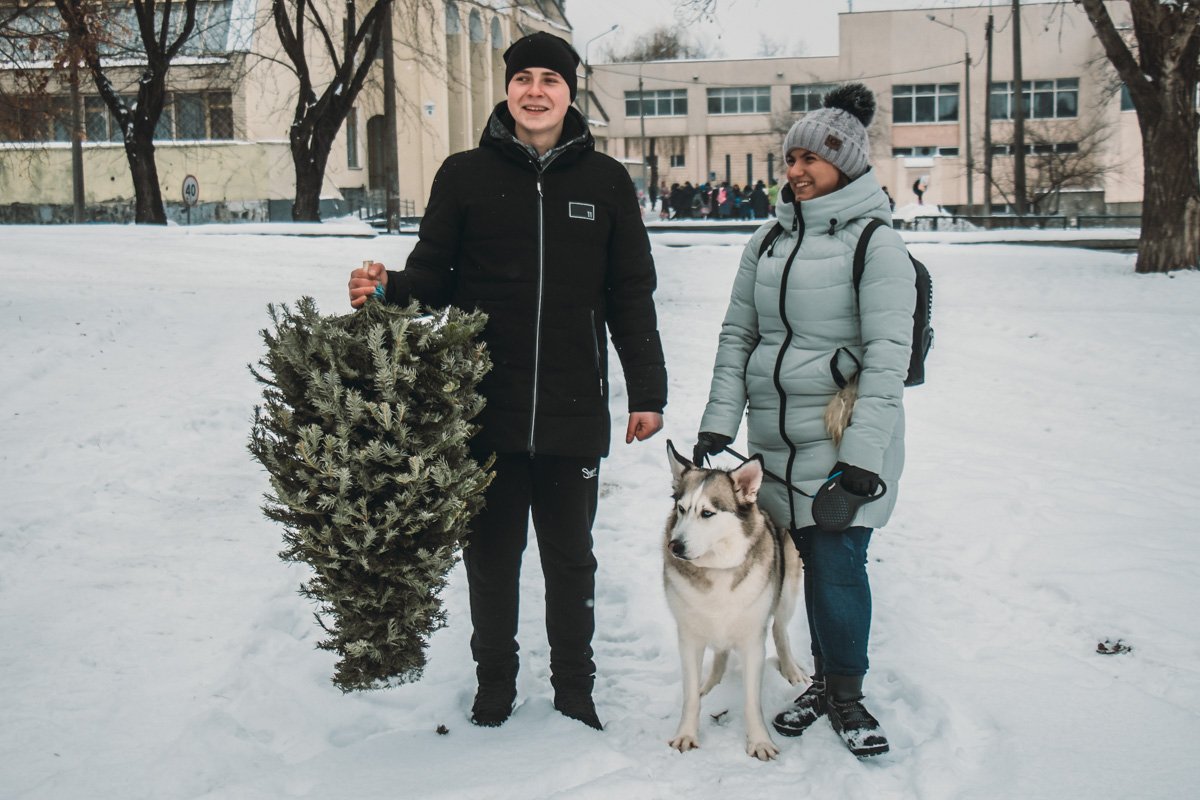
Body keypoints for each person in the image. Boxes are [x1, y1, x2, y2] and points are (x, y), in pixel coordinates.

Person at [347, 31, 667, 732]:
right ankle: (495, 684)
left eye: (549, 79)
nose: (535, 91)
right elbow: (432, 278)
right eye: (523, 78)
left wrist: (647, 393)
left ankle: (574, 689)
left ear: (569, 91)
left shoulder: (606, 183)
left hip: (572, 407)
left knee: (570, 562)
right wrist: (387, 288)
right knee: (491, 561)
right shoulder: (464, 175)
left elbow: (630, 293)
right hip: (481, 409)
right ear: (507, 88)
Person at [691, 83, 912, 758]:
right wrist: (717, 426)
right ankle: (822, 681)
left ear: (845, 162)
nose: (794, 171)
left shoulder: (877, 245)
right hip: (772, 447)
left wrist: (863, 465)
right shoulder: (767, 241)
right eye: (790, 158)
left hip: (844, 443)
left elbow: (887, 362)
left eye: (810, 159)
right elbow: (739, 336)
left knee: (839, 566)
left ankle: (846, 695)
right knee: (798, 570)